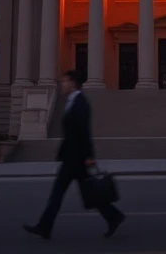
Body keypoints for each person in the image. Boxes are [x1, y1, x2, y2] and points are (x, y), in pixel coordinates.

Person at [24, 70, 126, 240]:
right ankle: (114, 217)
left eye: (64, 82)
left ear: (72, 83)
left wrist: (89, 156)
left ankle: (44, 227)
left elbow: (84, 132)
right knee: (85, 192)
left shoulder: (80, 102)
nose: (62, 85)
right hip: (74, 158)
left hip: (76, 158)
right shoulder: (72, 101)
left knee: (59, 193)